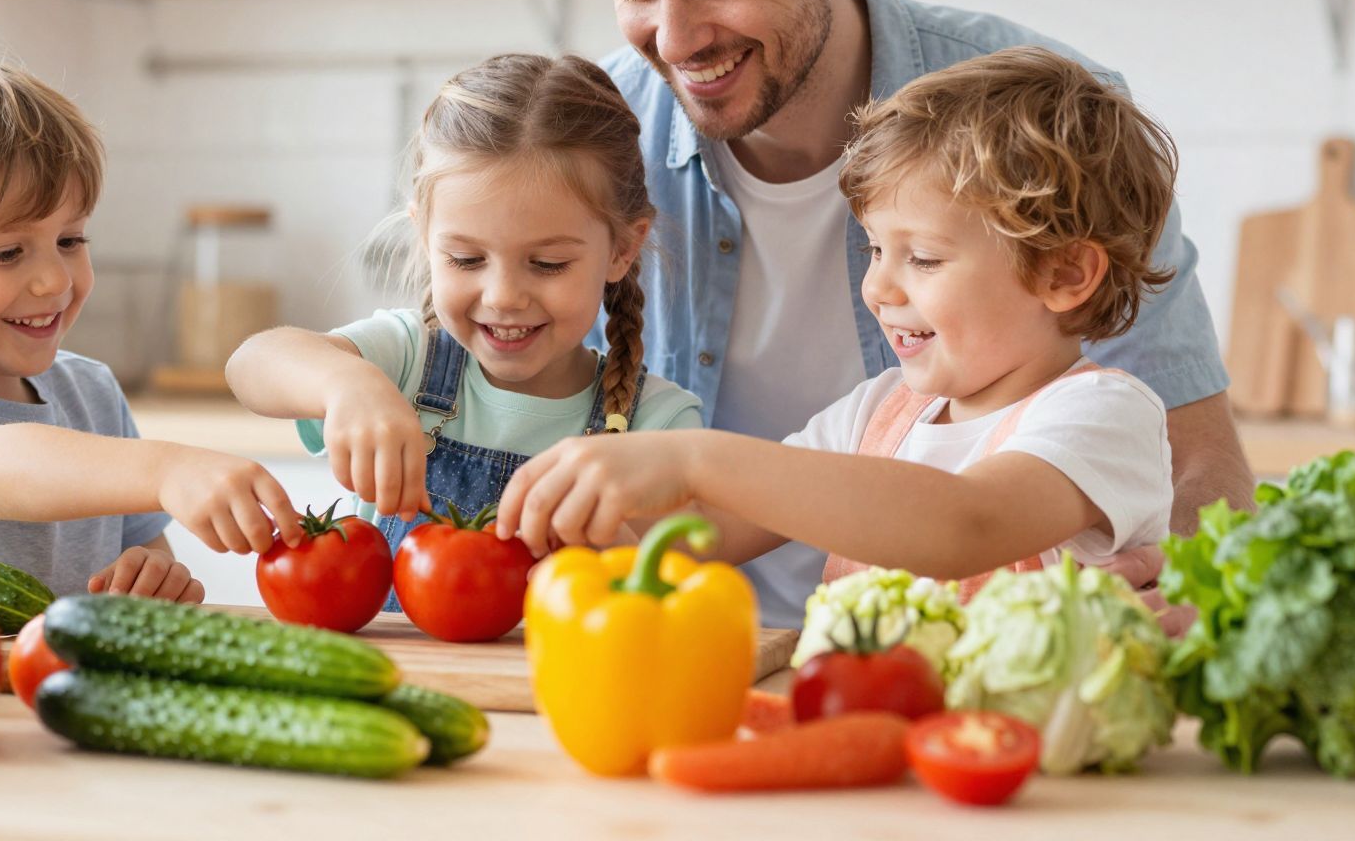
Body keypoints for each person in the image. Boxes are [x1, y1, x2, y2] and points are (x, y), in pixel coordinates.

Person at [543, 0, 1253, 627]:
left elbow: (1195, 465)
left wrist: (1178, 593)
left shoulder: (1044, 132)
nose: (673, 41)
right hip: (723, 660)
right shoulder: (586, 135)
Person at [499, 48, 1176, 597]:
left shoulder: (1102, 416)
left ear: (1064, 275)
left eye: (924, 258)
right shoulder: (880, 412)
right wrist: (587, 520)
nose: (878, 286)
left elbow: (965, 524)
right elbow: (711, 527)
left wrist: (695, 457)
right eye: (877, 249)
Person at [0, 52, 303, 603]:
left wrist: (152, 574)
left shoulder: (91, 393)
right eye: (7, 252)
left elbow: (145, 549)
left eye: (70, 241)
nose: (53, 280)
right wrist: (167, 465)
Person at [226, 53, 702, 571]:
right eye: (467, 259)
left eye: (547, 263)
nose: (502, 296)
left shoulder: (658, 422)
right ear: (425, 239)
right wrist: (346, 384)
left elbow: (673, 572)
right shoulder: (405, 360)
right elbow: (251, 363)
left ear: (622, 251)